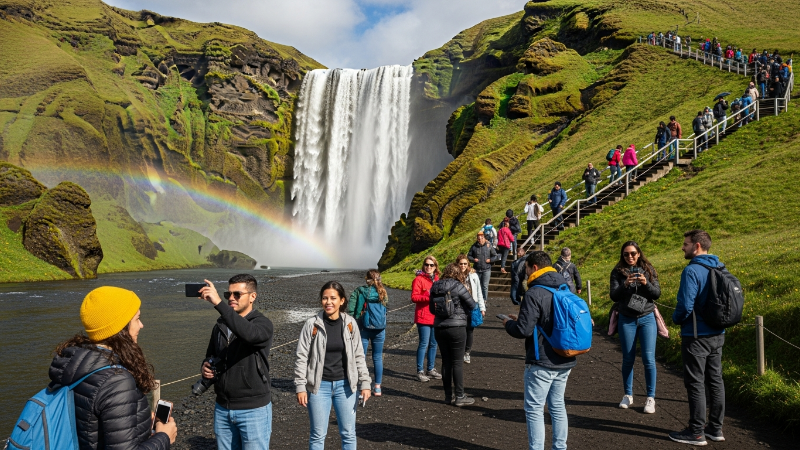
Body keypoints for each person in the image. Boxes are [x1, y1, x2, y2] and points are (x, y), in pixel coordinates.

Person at [49, 287, 177, 450]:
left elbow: (93, 427)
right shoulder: (117, 380)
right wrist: (164, 437)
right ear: (120, 328)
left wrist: (141, 420)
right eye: (137, 319)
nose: (141, 325)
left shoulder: (76, 363)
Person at [503, 251, 577, 450]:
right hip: (566, 356)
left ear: (534, 267)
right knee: (558, 406)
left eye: (526, 269)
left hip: (542, 359)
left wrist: (509, 324)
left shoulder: (534, 292)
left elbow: (523, 331)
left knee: (534, 409)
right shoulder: (565, 286)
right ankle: (560, 448)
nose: (525, 274)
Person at [198, 275, 273, 450]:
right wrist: (205, 366)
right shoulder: (220, 326)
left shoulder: (262, 324)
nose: (231, 298)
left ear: (252, 296)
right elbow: (210, 354)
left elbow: (249, 334)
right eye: (227, 294)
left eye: (237, 294)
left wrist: (219, 303)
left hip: (254, 410)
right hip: (223, 408)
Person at [294, 281, 371, 450]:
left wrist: (365, 383)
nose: (328, 302)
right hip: (319, 387)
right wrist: (300, 386)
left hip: (346, 387)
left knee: (349, 434)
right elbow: (301, 356)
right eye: (324, 298)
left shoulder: (350, 324)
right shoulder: (311, 325)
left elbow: (359, 355)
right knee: (317, 435)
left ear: (342, 301)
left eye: (333, 298)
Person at [669, 230, 727, 446]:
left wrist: (676, 319)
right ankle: (715, 428)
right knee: (716, 380)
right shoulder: (720, 266)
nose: (683, 247)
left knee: (695, 382)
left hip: (696, 335)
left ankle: (696, 432)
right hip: (718, 332)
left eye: (686, 244)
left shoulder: (692, 270)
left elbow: (685, 305)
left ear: (698, 246)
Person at [609, 242, 662, 415]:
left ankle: (651, 397)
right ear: (622, 256)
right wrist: (625, 285)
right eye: (626, 254)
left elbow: (656, 294)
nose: (629, 257)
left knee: (648, 358)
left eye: (632, 253)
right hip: (626, 318)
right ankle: (628, 394)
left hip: (647, 318)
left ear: (639, 253)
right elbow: (613, 296)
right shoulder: (617, 272)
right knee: (628, 358)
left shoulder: (649, 270)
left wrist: (646, 283)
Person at [430, 263, 477, 406]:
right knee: (457, 362)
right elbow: (472, 305)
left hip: (439, 327)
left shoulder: (435, 286)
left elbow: (432, 309)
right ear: (457, 273)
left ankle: (447, 396)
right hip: (457, 327)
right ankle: (460, 396)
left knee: (446, 362)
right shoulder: (458, 285)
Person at [347, 270, 388, 396]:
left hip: (363, 328)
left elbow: (351, 309)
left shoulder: (360, 291)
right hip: (380, 328)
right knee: (377, 357)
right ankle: (377, 387)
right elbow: (386, 308)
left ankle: (362, 386)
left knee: (361, 357)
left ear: (367, 279)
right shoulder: (383, 292)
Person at [410, 256, 442, 382]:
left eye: (431, 265)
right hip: (423, 316)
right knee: (423, 343)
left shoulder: (438, 279)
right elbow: (414, 297)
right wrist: (428, 297)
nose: (428, 267)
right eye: (426, 264)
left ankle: (431, 369)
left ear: (435, 267)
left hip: (436, 315)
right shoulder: (418, 279)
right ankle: (420, 371)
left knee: (434, 343)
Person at [456, 254, 486, 364]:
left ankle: (467, 352)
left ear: (468, 264)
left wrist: (482, 308)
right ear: (457, 264)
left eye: (465, 264)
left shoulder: (473, 275)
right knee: (459, 330)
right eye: (461, 264)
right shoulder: (455, 276)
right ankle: (459, 352)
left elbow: (479, 292)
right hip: (458, 306)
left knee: (469, 330)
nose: (463, 266)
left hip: (472, 305)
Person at [468, 231, 497, 301]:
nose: (480, 240)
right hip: (477, 269)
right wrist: (473, 259)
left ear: (484, 238)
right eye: (478, 239)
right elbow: (469, 256)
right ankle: (476, 300)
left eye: (481, 238)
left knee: (484, 286)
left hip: (486, 269)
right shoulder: (474, 246)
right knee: (476, 286)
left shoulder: (489, 246)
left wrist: (490, 260)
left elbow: (495, 256)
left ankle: (485, 300)